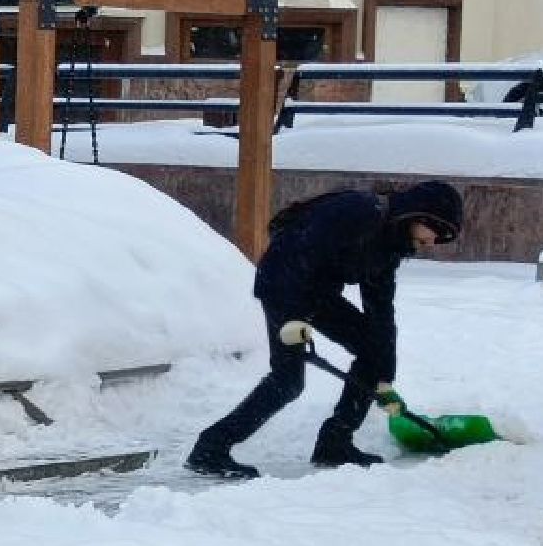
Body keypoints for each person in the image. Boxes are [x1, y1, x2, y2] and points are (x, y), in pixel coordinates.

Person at [186, 181, 466, 479]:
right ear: (420, 215)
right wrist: (295, 318)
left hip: (318, 294)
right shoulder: (357, 211)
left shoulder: (390, 246)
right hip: (283, 284)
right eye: (436, 232)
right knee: (288, 381)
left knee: (372, 351)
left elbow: (381, 312)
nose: (433, 242)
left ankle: (335, 443)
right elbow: (297, 253)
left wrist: (384, 373)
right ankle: (210, 448)